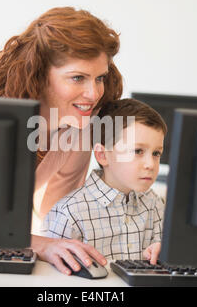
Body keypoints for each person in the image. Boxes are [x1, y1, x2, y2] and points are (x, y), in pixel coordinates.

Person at [0, 7, 123, 275]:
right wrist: (39, 244)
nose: (93, 93)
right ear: (40, 75)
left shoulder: (77, 127)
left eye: (99, 78)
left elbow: (55, 214)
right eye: (78, 78)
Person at [42, 99, 167, 265]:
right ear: (102, 155)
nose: (150, 164)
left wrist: (164, 251)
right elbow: (49, 277)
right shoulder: (69, 214)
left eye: (156, 153)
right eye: (138, 151)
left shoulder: (155, 204)